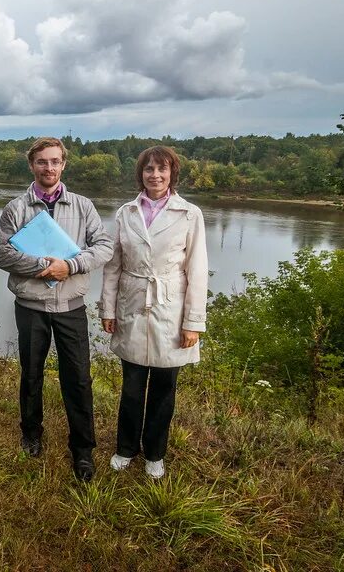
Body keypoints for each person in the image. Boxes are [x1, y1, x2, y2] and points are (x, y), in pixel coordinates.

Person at [0, 137, 113, 482]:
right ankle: (31, 434)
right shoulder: (16, 208)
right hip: (31, 306)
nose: (49, 167)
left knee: (78, 378)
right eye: (42, 162)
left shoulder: (83, 206)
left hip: (71, 306)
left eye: (56, 161)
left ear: (64, 165)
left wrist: (71, 266)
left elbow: (104, 246)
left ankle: (83, 450)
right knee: (31, 374)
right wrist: (43, 264)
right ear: (32, 165)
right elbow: (3, 255)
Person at [99, 146, 208, 480]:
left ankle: (155, 453)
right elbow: (114, 265)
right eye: (149, 169)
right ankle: (126, 447)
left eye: (162, 169)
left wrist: (193, 322)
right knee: (132, 384)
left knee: (164, 387)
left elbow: (197, 270)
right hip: (132, 303)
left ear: (173, 173)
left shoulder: (189, 214)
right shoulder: (125, 213)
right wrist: (108, 307)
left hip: (170, 308)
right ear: (140, 173)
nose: (155, 175)